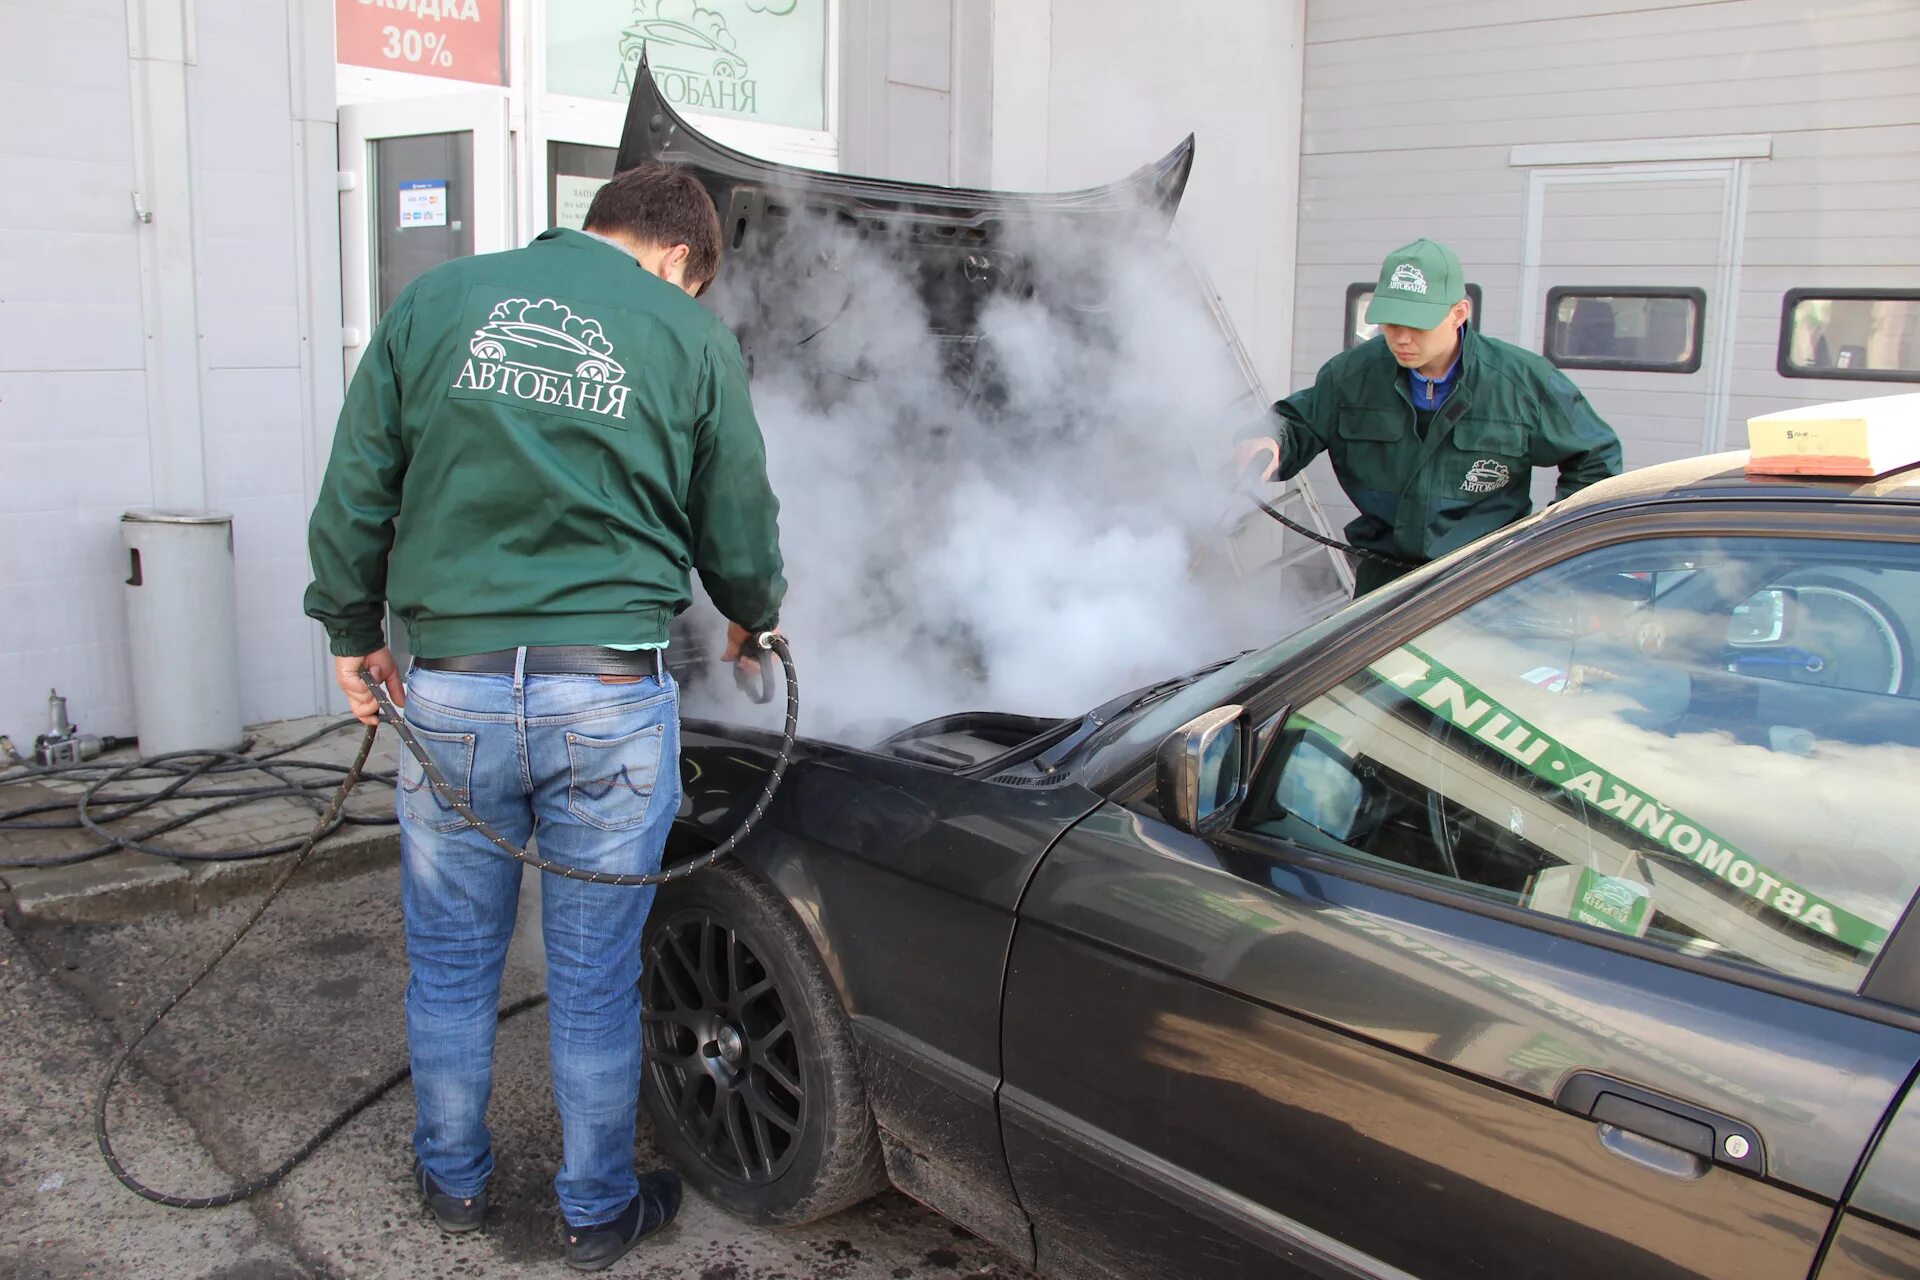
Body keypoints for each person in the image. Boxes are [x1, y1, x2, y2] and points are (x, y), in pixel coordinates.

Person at [303, 163, 786, 1271]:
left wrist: (349, 627)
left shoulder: (438, 300)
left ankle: (455, 1180)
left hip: (454, 690)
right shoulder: (689, 335)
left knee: (454, 960)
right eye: (693, 284)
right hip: (607, 701)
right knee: (594, 974)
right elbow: (740, 517)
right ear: (679, 259)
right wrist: (755, 615)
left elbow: (358, 482)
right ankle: (593, 1209)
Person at [1238, 238, 1622, 596]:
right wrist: (1271, 441)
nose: (1401, 338)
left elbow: (1595, 457)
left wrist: (1551, 543)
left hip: (1484, 575)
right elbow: (1299, 422)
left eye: (1416, 325)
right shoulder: (1351, 376)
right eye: (1390, 323)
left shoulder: (1521, 383)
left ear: (1458, 313)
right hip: (1384, 576)